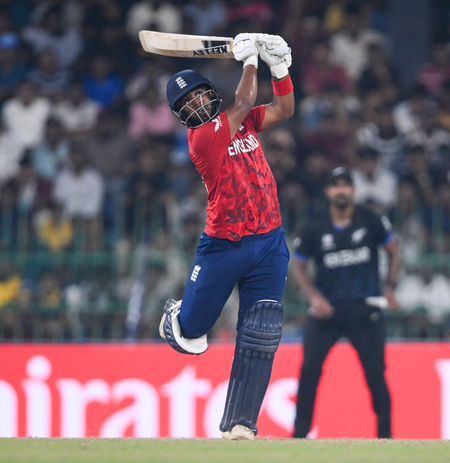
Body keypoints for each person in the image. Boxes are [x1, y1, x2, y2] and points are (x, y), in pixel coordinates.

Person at [160, 33, 294, 440]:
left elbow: (284, 108)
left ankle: (240, 423)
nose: (196, 105)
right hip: (223, 246)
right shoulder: (202, 139)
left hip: (269, 242)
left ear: (210, 93)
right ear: (181, 117)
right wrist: (251, 60)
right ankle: (176, 317)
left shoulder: (242, 121)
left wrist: (280, 68)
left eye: (199, 95)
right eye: (187, 104)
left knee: (262, 331)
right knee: (192, 333)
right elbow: (244, 101)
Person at [292, 166, 400, 439]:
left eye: (345, 185)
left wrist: (389, 287)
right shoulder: (314, 226)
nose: (340, 190)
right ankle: (299, 436)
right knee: (309, 370)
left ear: (353, 190)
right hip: (327, 312)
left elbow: (394, 250)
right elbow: (298, 266)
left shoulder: (370, 219)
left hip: (364, 310)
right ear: (328, 191)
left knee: (375, 372)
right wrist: (314, 297)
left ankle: (386, 437)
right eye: (335, 185)